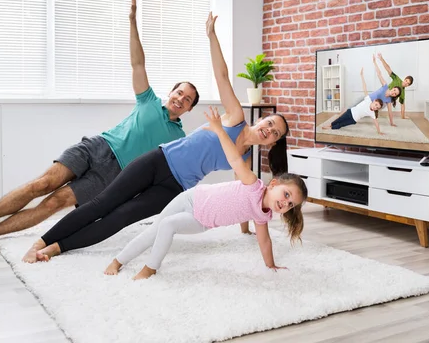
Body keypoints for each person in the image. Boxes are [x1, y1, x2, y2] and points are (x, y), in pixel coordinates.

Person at [25, 11, 291, 263]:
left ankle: (56, 248)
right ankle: (40, 241)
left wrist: (246, 229)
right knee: (103, 203)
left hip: (174, 188)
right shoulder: (234, 116)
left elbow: (242, 196)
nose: (268, 129)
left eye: (274, 132)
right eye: (269, 123)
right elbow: (222, 76)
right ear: (261, 119)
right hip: (158, 160)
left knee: (119, 219)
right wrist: (212, 36)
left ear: (272, 143)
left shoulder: (244, 161)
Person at [0, 0, 199, 256]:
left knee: (54, 203)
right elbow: (137, 62)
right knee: (42, 184)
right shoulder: (148, 100)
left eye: (187, 100)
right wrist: (132, 21)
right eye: (179, 93)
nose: (180, 99)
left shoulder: (178, 138)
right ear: (171, 92)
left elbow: (169, 171)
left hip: (114, 175)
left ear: (189, 109)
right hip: (97, 147)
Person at [103, 106, 307, 279]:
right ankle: (117, 261)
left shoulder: (262, 215)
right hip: (191, 198)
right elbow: (235, 159)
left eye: (291, 205)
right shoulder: (253, 183)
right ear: (273, 184)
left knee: (167, 225)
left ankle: (150, 268)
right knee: (154, 230)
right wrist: (219, 130)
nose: (286, 204)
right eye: (287, 195)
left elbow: (264, 241)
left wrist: (270, 265)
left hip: (201, 220)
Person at [322, 68, 384, 134]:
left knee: (342, 124)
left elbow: (376, 123)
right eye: (376, 105)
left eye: (377, 108)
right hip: (350, 112)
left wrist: (379, 131)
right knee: (340, 119)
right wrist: (362, 76)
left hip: (353, 120)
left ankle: (331, 127)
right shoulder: (368, 100)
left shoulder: (372, 113)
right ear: (374, 101)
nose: (375, 107)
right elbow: (364, 87)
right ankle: (331, 124)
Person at [376, 53, 414, 119]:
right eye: (406, 81)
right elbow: (388, 69)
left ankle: (375, 110)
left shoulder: (402, 93)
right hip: (383, 92)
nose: (406, 83)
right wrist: (381, 59)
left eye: (408, 84)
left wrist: (403, 116)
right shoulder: (397, 79)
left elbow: (402, 105)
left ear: (408, 86)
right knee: (371, 101)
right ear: (404, 79)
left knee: (379, 106)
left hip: (386, 100)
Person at [368, 55, 402, 127]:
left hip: (373, 105)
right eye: (394, 90)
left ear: (395, 96)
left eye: (395, 94)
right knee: (352, 109)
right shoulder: (385, 86)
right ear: (393, 88)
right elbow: (379, 74)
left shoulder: (389, 100)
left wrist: (391, 123)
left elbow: (390, 112)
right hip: (367, 99)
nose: (393, 93)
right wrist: (374, 62)